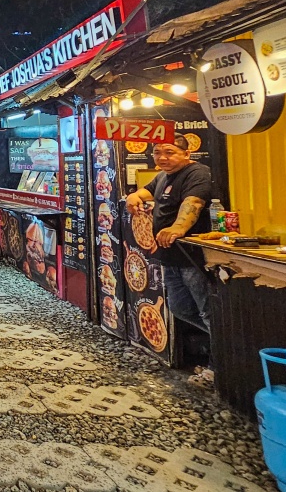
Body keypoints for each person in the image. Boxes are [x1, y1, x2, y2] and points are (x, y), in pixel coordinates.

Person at [125, 133, 214, 386]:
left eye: (170, 152)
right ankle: (221, 343)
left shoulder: (197, 173)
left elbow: (193, 203)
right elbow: (145, 191)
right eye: (157, 153)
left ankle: (218, 368)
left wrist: (178, 228)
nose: (162, 157)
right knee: (180, 308)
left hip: (193, 257)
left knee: (208, 312)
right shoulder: (163, 176)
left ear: (186, 154)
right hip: (170, 257)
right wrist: (134, 197)